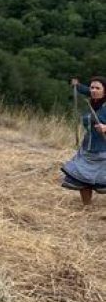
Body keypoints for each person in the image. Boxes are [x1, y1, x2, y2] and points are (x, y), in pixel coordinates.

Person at [62, 77, 106, 206]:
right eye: (92, 87)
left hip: (103, 151)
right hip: (87, 150)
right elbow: (86, 90)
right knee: (82, 178)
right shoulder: (93, 101)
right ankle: (86, 207)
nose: (93, 90)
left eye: (97, 88)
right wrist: (77, 85)